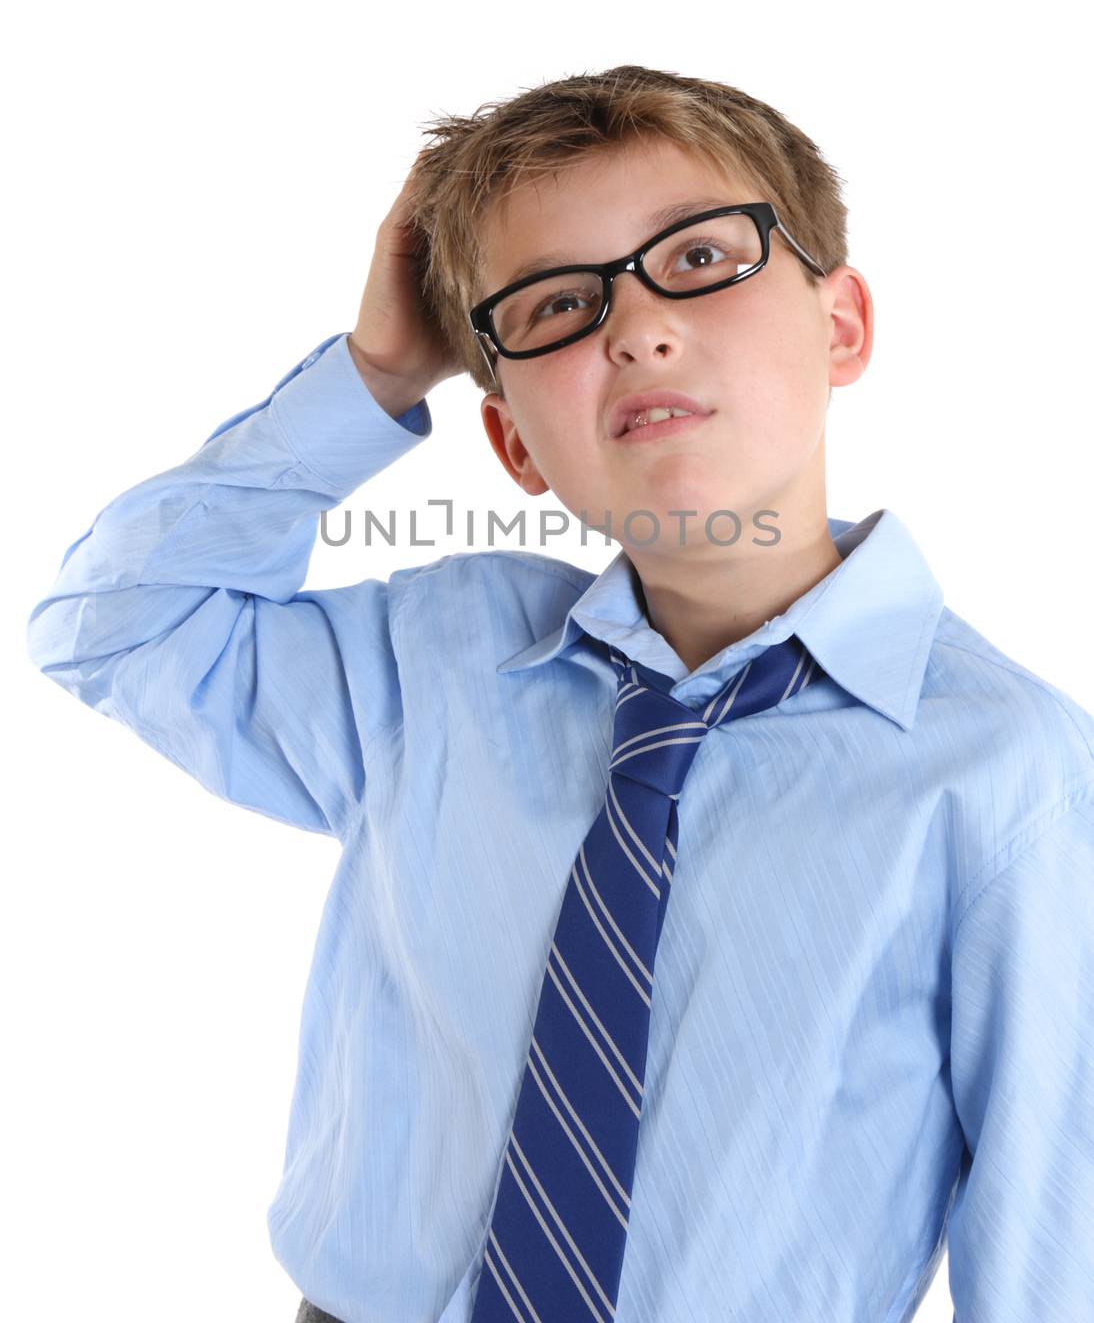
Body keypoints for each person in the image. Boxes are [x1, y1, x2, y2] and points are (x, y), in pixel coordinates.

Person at [26, 65, 1094, 1322]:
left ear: (840, 323)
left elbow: (1049, 1243)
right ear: (514, 444)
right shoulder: (437, 657)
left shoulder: (1008, 772)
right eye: (556, 305)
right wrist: (374, 374)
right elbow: (112, 624)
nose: (635, 327)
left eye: (698, 259)